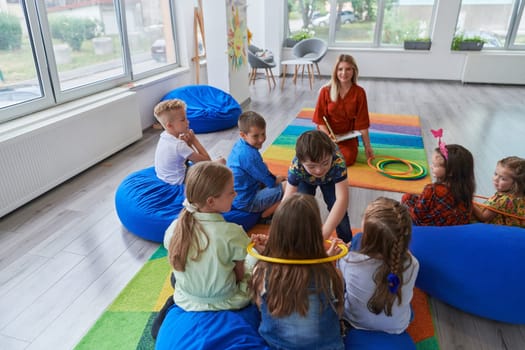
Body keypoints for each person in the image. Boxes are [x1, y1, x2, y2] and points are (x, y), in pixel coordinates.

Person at [250, 193, 345, 350]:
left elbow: (263, 308)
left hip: (277, 345)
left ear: (277, 232)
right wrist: (328, 262)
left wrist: (267, 254)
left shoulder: (262, 271)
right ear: (316, 233)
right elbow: (338, 312)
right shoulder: (332, 274)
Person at [338, 197, 419, 334]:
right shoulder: (413, 263)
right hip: (398, 326)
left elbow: (338, 286)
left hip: (354, 321)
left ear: (369, 239)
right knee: (408, 310)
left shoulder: (349, 261)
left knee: (356, 239)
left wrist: (339, 255)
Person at [282, 130, 352, 242]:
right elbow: (287, 201)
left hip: (330, 179)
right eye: (312, 166)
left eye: (325, 163)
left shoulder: (338, 161)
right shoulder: (296, 166)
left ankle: (347, 243)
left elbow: (342, 199)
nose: (319, 171)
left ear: (331, 155)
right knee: (301, 210)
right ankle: (303, 239)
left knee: (340, 214)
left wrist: (325, 232)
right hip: (305, 180)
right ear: (301, 162)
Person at [312, 54, 374, 166]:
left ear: (354, 71)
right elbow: (320, 120)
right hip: (327, 134)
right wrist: (328, 136)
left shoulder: (360, 93)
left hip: (347, 136)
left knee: (347, 158)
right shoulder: (325, 91)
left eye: (348, 69)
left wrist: (367, 147)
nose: (344, 73)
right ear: (335, 71)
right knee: (314, 154)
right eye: (340, 69)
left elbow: (362, 123)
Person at [227, 111, 286, 218]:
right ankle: (265, 215)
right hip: (248, 202)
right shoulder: (250, 155)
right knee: (291, 185)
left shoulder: (240, 145)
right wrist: (280, 178)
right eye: (255, 136)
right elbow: (271, 182)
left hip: (238, 196)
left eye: (263, 134)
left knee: (265, 167)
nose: (261, 139)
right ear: (243, 135)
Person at [401, 143, 475, 226]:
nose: (431, 167)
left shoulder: (431, 189)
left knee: (406, 197)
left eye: (435, 165)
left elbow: (418, 215)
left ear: (450, 172)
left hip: (431, 226)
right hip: (455, 225)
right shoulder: (466, 188)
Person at [153, 99, 223, 185]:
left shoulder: (164, 135)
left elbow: (187, 157)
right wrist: (194, 141)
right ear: (169, 125)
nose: (188, 122)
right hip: (179, 181)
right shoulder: (178, 145)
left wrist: (188, 144)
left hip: (165, 177)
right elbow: (207, 161)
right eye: (183, 120)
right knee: (221, 161)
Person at [473, 156, 525, 227]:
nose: (496, 179)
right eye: (495, 174)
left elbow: (483, 217)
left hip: (499, 234)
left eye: (503, 178)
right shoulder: (520, 197)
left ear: (516, 184)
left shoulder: (503, 200)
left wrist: (470, 202)